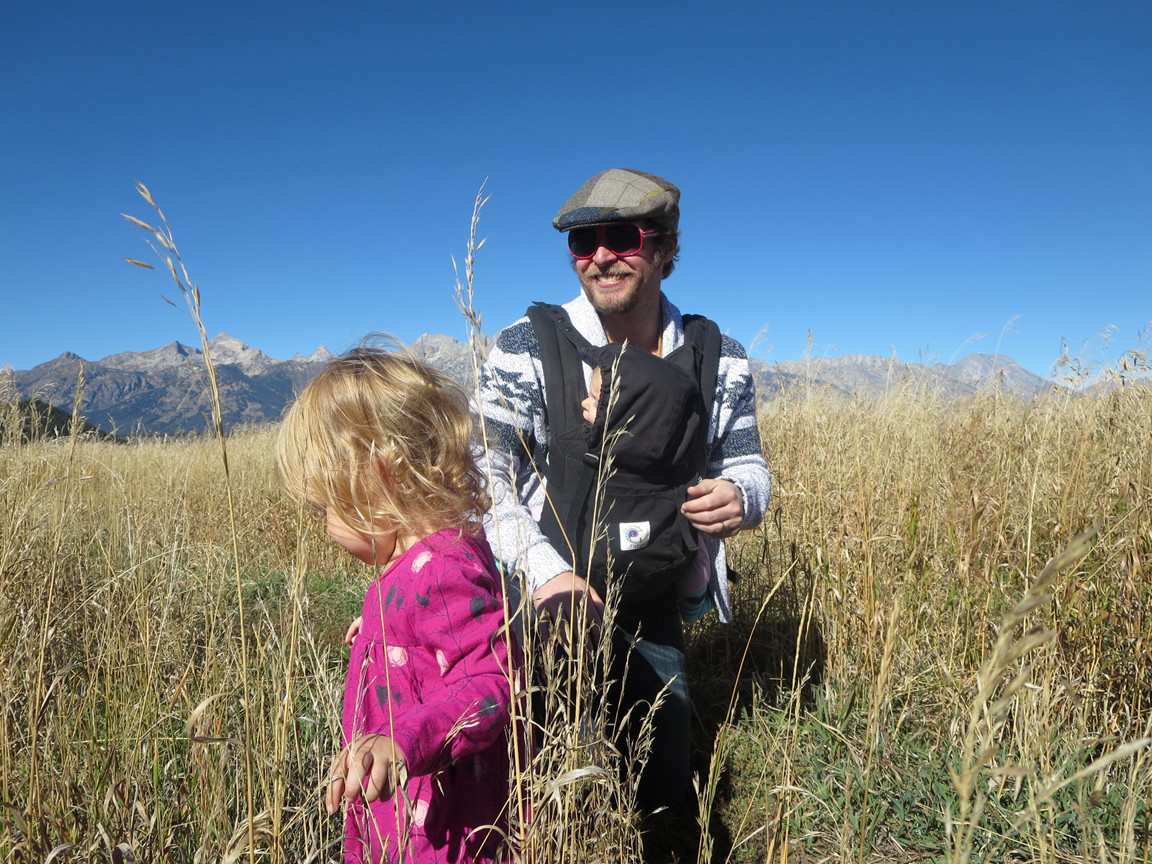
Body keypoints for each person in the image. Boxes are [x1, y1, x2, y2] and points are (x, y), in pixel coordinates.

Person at [475, 168, 771, 810]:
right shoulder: (526, 347)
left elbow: (748, 464)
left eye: (622, 236)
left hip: (654, 597)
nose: (601, 255)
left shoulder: (718, 355)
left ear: (666, 248)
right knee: (534, 797)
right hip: (544, 604)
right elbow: (486, 482)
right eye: (584, 242)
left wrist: (741, 499)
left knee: (665, 797)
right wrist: (548, 575)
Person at [276, 342, 518, 864]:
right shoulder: (413, 565)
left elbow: (493, 681)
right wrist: (373, 629)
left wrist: (405, 741)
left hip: (441, 825)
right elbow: (427, 634)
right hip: (400, 802)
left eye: (328, 505)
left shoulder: (446, 566)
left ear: (378, 477)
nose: (326, 525)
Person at [581, 353, 713, 623]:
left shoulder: (592, 452)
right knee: (698, 561)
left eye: (596, 401)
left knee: (697, 559)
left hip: (604, 576)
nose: (584, 402)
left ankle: (693, 606)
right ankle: (693, 604)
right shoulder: (667, 452)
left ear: (622, 414)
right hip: (650, 569)